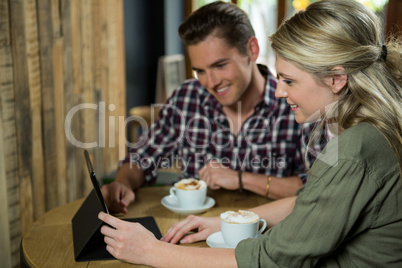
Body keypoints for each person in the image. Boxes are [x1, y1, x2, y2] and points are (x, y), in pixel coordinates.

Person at [98, 0, 402, 266]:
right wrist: (223, 222)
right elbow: (314, 199)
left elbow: (276, 252)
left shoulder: (340, 135)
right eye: (200, 71)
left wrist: (152, 251)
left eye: (290, 80)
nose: (210, 81)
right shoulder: (354, 126)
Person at [102, 1, 324, 214]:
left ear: (252, 50)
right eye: (200, 71)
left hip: (265, 236)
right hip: (191, 233)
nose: (211, 82)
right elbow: (142, 158)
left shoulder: (294, 103)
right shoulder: (186, 98)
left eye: (220, 65)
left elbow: (318, 187)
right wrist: (122, 184)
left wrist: (240, 178)